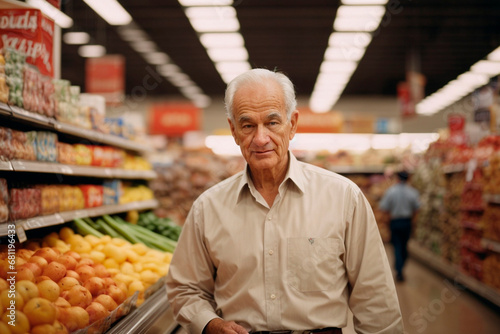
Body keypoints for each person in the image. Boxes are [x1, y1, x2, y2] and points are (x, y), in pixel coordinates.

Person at [166, 68, 404, 334]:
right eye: (247, 125)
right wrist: (209, 323)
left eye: (272, 122)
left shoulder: (344, 198)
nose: (260, 138)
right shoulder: (207, 209)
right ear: (233, 130)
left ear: (293, 124)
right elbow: (185, 288)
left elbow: (375, 298)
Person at [379, 170, 420, 282]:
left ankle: (399, 269)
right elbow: (417, 209)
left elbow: (384, 208)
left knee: (396, 245)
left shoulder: (391, 191)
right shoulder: (413, 192)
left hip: (395, 222)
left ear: (397, 178)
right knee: (404, 245)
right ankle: (401, 267)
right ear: (408, 179)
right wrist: (414, 222)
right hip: (407, 222)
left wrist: (386, 222)